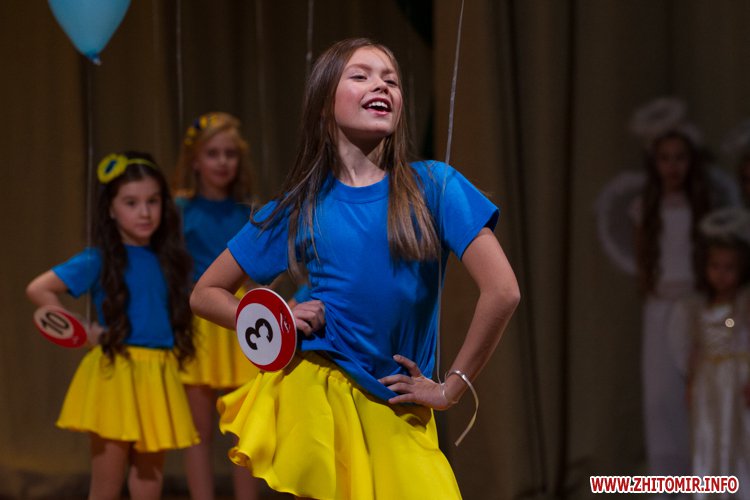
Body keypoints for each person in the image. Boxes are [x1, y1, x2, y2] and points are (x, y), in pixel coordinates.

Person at [190, 37, 520, 499]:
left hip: (396, 403)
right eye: (361, 76)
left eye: (391, 80)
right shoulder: (301, 206)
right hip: (319, 397)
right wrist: (280, 315)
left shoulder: (436, 186)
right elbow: (205, 293)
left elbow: (503, 291)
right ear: (325, 103)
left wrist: (452, 388)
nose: (380, 85)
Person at [25, 152, 198, 499]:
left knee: (150, 481)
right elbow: (38, 289)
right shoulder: (98, 259)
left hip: (158, 373)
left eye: (153, 201)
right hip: (116, 371)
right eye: (131, 203)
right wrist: (82, 331)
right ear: (110, 209)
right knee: (107, 481)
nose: (145, 212)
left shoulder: (170, 259)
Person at [173, 112, 263, 500]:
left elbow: (258, 273)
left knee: (244, 429)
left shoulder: (249, 211)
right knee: (199, 430)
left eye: (230, 153)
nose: (223, 161)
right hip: (198, 320)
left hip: (241, 320)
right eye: (213, 153)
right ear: (195, 160)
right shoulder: (179, 210)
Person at [630, 112, 712, 482]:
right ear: (655, 162)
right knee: (660, 396)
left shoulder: (701, 205)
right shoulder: (645, 208)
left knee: (695, 391)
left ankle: (703, 475)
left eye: (680, 157)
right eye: (665, 158)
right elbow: (644, 259)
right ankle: (667, 481)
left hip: (696, 307)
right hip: (659, 309)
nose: (673, 166)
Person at [668, 208, 750, 498]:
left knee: (738, 436)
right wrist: (691, 382)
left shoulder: (743, 304)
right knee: (709, 435)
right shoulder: (696, 307)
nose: (721, 274)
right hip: (708, 380)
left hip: (736, 378)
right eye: (715, 266)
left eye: (729, 267)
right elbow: (694, 348)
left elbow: (738, 332)